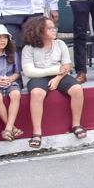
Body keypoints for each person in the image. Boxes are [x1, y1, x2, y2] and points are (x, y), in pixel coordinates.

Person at [21, 14, 86, 148]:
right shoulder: (29, 48)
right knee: (37, 93)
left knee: (77, 89)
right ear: (39, 31)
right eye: (49, 28)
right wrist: (56, 70)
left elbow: (67, 65)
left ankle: (76, 124)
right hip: (38, 76)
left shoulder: (60, 44)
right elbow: (29, 71)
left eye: (54, 27)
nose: (54, 30)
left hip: (59, 75)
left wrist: (57, 78)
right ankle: (37, 132)